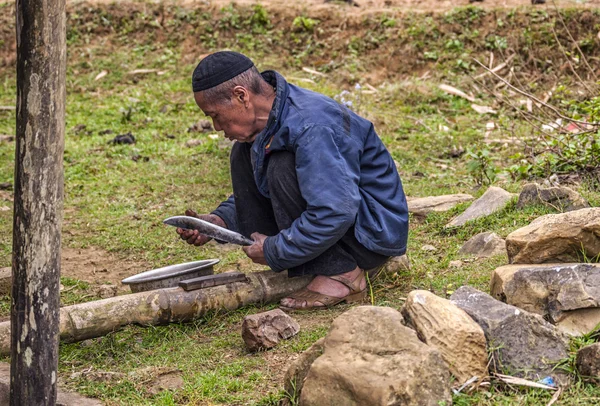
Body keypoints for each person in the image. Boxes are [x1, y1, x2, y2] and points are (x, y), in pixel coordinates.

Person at [177, 51, 409, 311]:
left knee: (281, 163)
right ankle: (318, 261)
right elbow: (263, 190)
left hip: (370, 234)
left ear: (241, 96)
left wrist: (276, 249)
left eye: (215, 115)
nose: (216, 127)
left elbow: (335, 211)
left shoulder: (311, 126)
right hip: (341, 225)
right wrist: (219, 222)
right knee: (244, 152)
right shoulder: (270, 123)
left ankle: (343, 273)